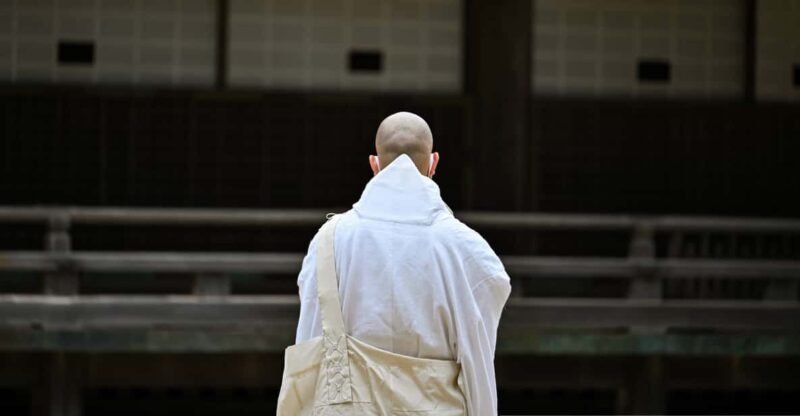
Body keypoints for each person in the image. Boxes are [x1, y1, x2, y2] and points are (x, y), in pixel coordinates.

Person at [292, 111, 511, 415]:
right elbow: (478, 361)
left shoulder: (330, 241)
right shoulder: (467, 250)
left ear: (374, 165)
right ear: (434, 164)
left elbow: (311, 344)